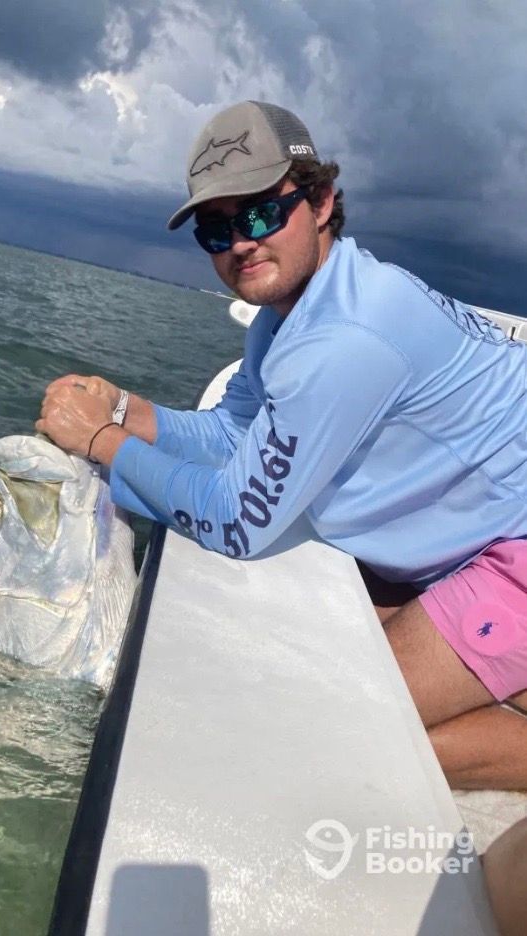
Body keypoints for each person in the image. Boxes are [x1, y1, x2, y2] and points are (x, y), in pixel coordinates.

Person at [36, 100, 527, 789]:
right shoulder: (288, 317)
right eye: (216, 228)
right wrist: (128, 410)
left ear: (322, 201)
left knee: (339, 732)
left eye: (261, 214)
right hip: (473, 535)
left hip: (515, 552)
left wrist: (102, 441)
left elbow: (238, 523)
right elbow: (233, 434)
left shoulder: (348, 337)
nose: (240, 242)